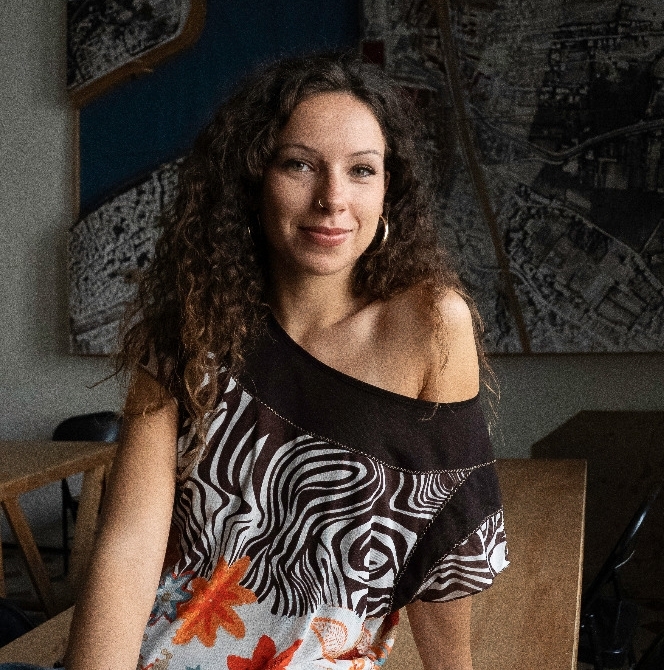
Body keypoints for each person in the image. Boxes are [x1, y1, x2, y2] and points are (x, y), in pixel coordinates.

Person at [61, 51, 509, 670]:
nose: (332, 199)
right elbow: (129, 544)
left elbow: (446, 551)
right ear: (252, 179)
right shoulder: (188, 325)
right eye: (299, 164)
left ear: (389, 189)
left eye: (361, 170)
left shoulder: (431, 325)